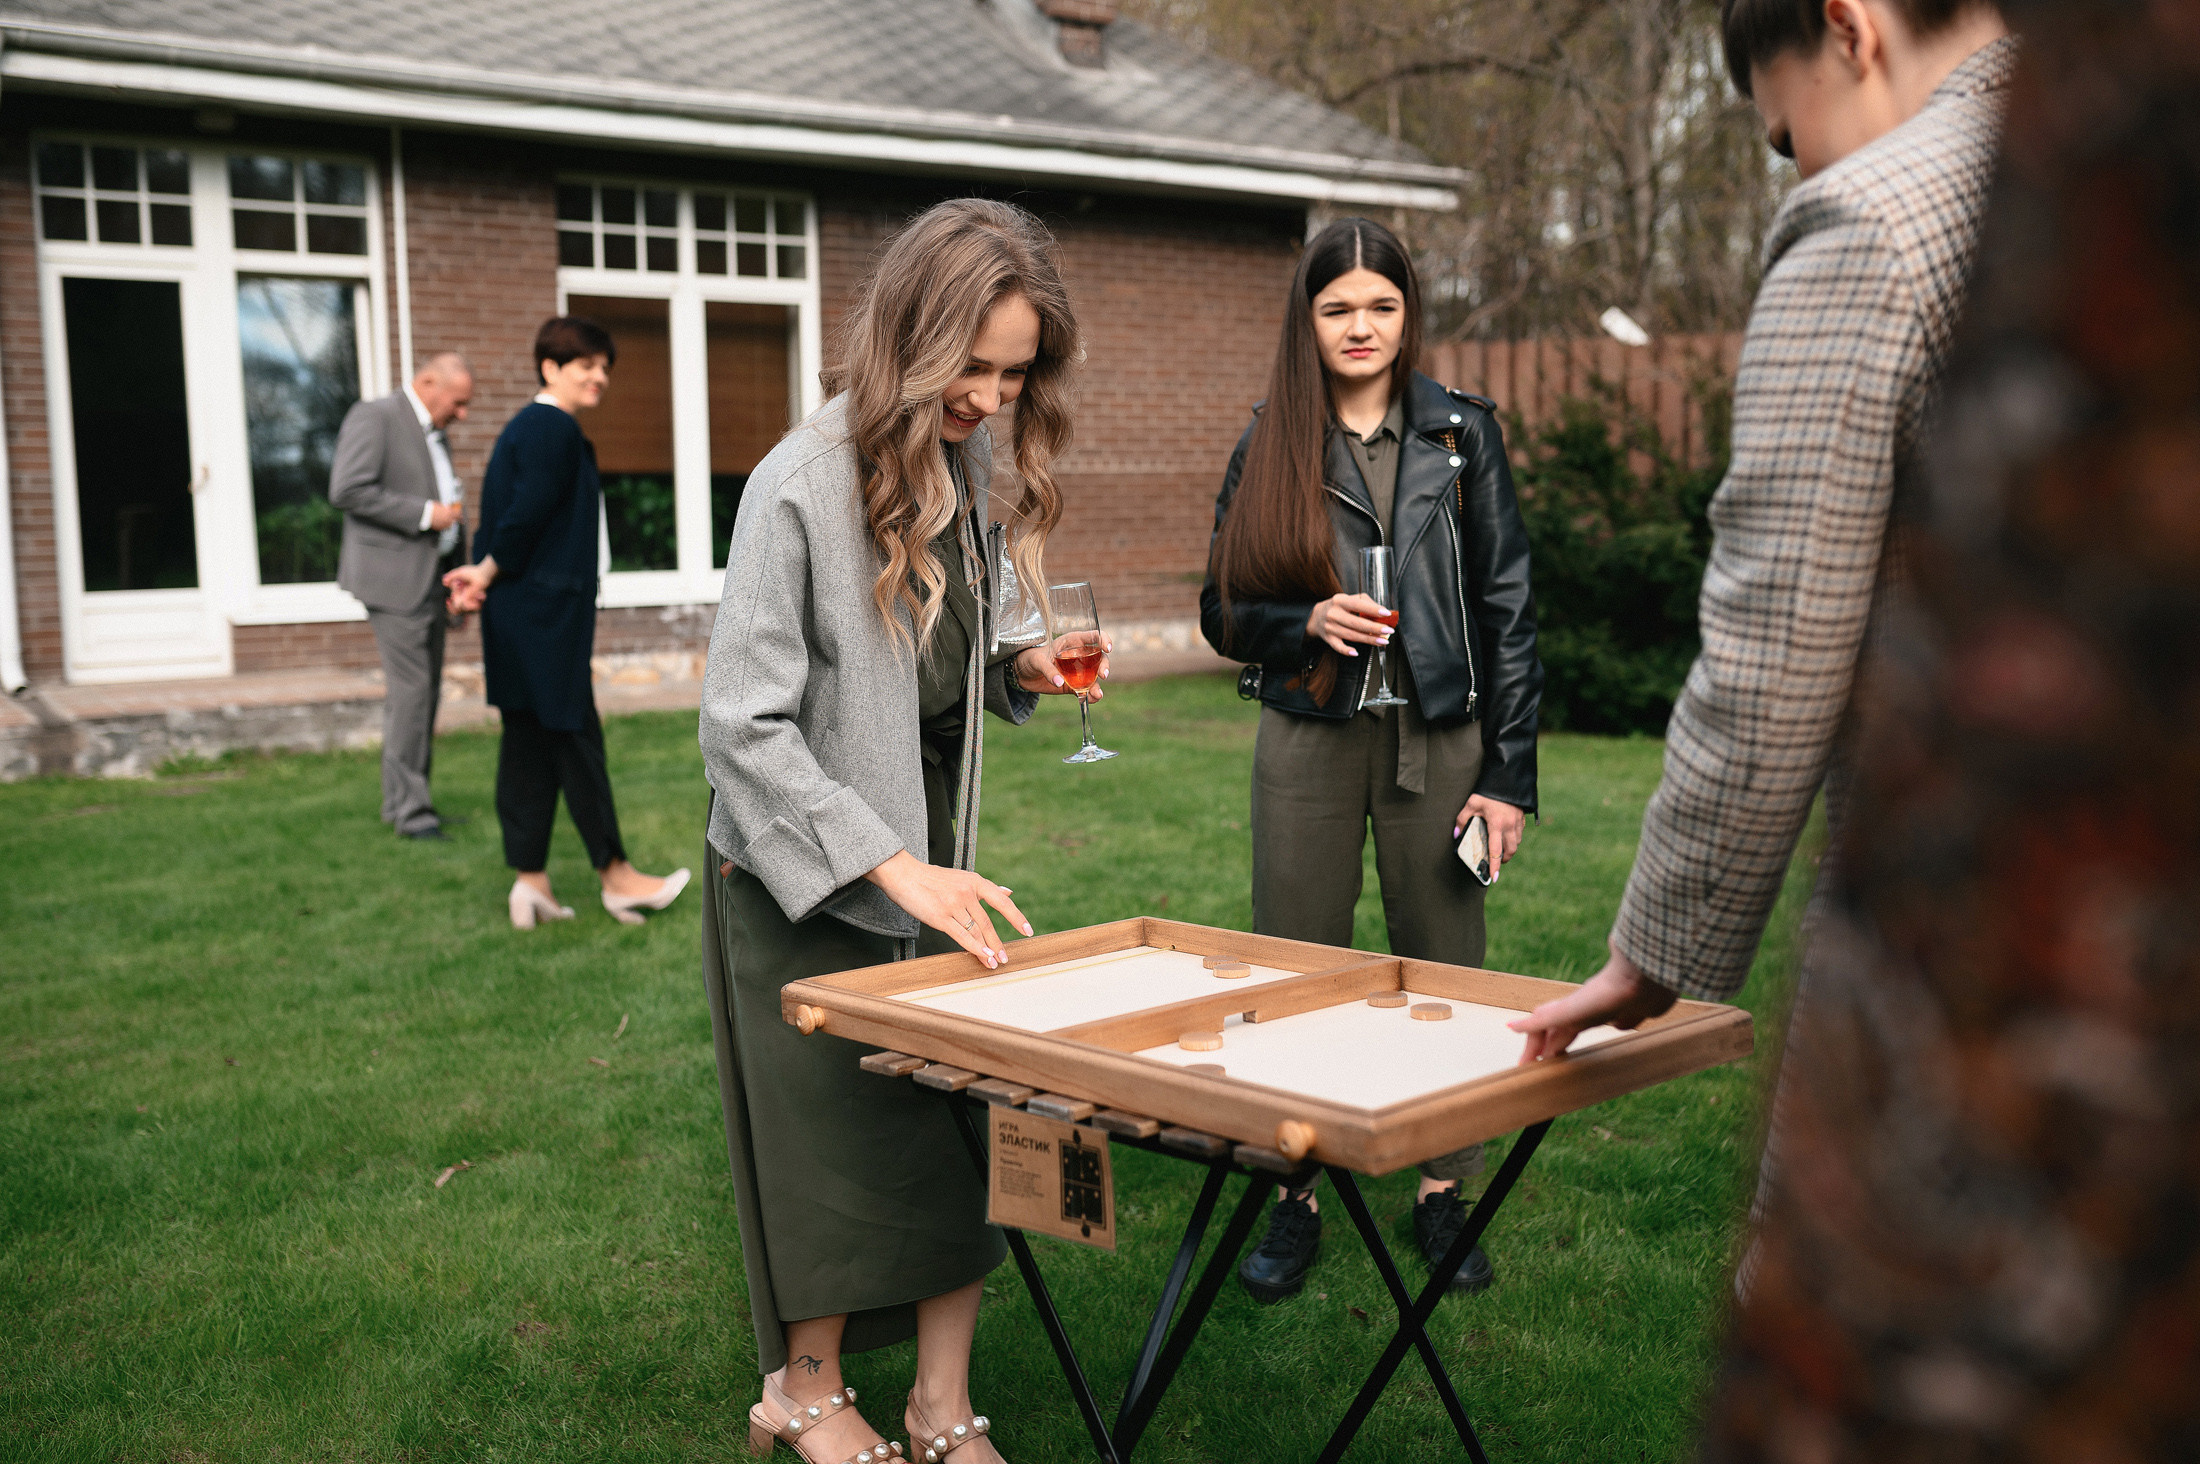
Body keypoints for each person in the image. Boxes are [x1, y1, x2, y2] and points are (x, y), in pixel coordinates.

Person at [1510, 0, 2013, 1060]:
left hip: (1986, 946)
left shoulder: (1871, 221)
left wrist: (1653, 954)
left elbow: (1776, 639)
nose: (1799, 173)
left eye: (1788, 135)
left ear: (1848, 25)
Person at [699, 199, 1096, 1464]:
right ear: (909, 340)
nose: (987, 396)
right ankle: (806, 1391)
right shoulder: (799, 485)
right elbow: (741, 729)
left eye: (1012, 371)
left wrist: (1018, 672)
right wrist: (888, 865)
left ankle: (939, 1404)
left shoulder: (965, 468)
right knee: (829, 1145)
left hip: (928, 868)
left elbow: (934, 663)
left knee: (956, 1127)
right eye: (967, 366)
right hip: (801, 880)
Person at [1199, 216, 1543, 1303]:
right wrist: (1304, 619)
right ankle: (1292, 1194)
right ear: (1307, 320)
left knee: (1447, 966)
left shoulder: (1461, 437)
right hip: (1306, 735)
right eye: (1337, 307)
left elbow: (1508, 610)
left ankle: (1443, 1188)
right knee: (1295, 969)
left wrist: (1508, 775)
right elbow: (1217, 612)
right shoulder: (1270, 440)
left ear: (1409, 315)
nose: (1361, 327)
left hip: (1440, 742)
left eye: (1381, 306)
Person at [442, 318, 689, 931]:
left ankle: (530, 883)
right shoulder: (553, 427)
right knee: (576, 738)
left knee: (527, 743)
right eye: (587, 365)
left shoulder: (520, 430)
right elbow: (523, 519)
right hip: (545, 618)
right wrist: (488, 571)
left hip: (518, 616)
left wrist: (481, 574)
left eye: (605, 367)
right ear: (550, 367)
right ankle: (617, 877)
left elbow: (500, 516)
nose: (599, 376)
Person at [330, 351, 474, 841]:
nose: (463, 414)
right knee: (413, 695)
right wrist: (422, 514)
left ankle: (409, 804)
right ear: (429, 382)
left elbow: (448, 503)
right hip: (393, 583)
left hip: (432, 580)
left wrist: (458, 574)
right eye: (458, 403)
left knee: (420, 696)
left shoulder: (435, 432)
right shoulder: (374, 417)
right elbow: (347, 489)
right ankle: (413, 814)